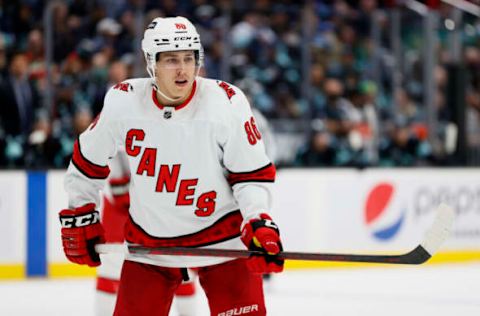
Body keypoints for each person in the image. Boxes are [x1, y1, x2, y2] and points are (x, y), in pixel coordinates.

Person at [59, 16, 283, 316]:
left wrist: (258, 218)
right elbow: (86, 162)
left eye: (189, 58)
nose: (183, 69)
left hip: (223, 242)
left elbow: (252, 175)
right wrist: (81, 211)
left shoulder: (226, 103)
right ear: (151, 63)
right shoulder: (123, 102)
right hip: (151, 247)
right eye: (172, 60)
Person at [96, 150, 198, 316]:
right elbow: (118, 192)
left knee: (182, 271)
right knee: (111, 271)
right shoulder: (117, 133)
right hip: (124, 218)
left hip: (159, 215)